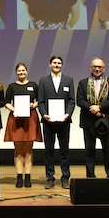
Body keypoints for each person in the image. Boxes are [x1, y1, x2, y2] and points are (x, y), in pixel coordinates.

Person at [37, 55, 75, 189]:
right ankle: (50, 178)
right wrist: (44, 115)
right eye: (54, 63)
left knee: (64, 151)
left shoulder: (68, 80)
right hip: (48, 122)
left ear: (61, 65)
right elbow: (40, 101)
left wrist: (67, 114)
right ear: (50, 64)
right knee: (49, 151)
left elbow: (72, 101)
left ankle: (65, 178)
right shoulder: (43, 81)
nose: (56, 65)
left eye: (59, 63)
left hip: (64, 121)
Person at [76, 57, 109, 179]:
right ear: (91, 68)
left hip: (106, 121)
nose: (97, 69)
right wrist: (92, 108)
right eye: (95, 66)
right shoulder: (83, 83)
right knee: (89, 151)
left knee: (108, 151)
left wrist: (99, 107)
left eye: (100, 67)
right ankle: (90, 177)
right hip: (88, 121)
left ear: (104, 69)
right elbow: (80, 101)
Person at [4, 62, 42, 188]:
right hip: (16, 118)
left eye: (23, 70)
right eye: (19, 71)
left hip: (30, 118)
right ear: (16, 72)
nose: (21, 73)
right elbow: (6, 102)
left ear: (27, 72)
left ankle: (28, 177)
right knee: (18, 148)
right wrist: (14, 109)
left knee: (29, 148)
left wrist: (33, 105)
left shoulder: (33, 85)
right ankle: (19, 176)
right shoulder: (12, 86)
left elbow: (40, 100)